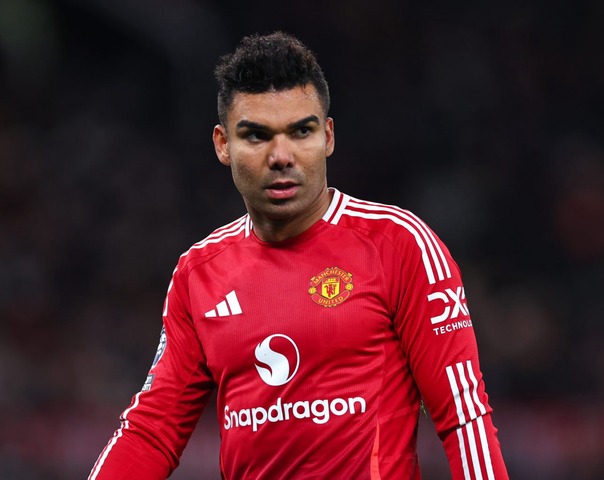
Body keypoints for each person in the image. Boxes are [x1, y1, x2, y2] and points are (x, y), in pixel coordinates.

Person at [88, 31, 509, 480]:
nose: (281, 156)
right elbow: (152, 430)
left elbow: (463, 417)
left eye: (301, 131)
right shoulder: (199, 273)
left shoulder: (399, 245)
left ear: (327, 136)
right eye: (256, 136)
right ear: (222, 145)